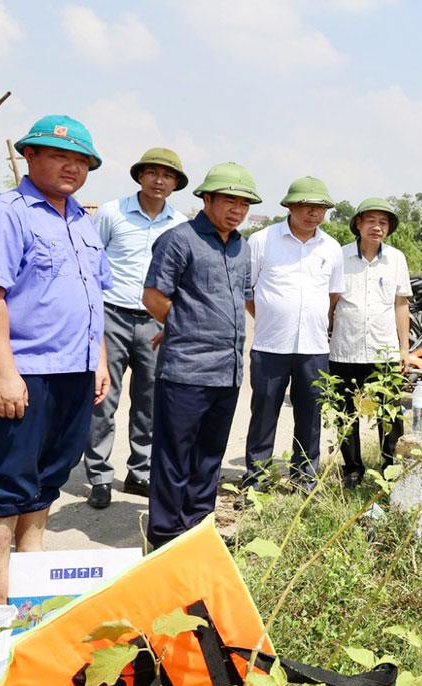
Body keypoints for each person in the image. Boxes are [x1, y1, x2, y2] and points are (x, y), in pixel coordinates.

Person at [0, 115, 111, 604]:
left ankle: (31, 565)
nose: (72, 167)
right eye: (59, 156)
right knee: (6, 476)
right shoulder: (4, 215)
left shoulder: (82, 221)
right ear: (30, 156)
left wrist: (100, 360)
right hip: (24, 371)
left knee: (51, 470)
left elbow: (95, 299)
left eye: (80, 161)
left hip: (75, 370)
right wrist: (4, 372)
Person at [142, 162, 261, 548]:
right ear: (206, 199)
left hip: (227, 373)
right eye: (229, 200)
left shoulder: (241, 247)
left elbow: (240, 299)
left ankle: (196, 534)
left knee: (208, 460)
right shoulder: (179, 239)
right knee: (174, 459)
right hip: (186, 370)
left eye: (244, 203)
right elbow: (154, 297)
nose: (237, 210)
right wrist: (182, 327)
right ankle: (164, 538)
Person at [83, 148, 189, 508]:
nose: (159, 180)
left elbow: (179, 278)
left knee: (150, 400)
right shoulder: (112, 212)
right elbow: (92, 264)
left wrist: (171, 321)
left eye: (168, 175)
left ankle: (139, 472)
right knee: (103, 398)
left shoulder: (178, 224)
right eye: (153, 172)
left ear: (176, 184)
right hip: (112, 315)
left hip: (154, 323)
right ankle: (99, 475)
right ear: (140, 176)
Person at [242, 177, 344, 494]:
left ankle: (304, 480)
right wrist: (271, 316)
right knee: (263, 415)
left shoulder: (331, 247)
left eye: (321, 208)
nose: (314, 213)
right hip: (270, 346)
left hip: (314, 348)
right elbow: (248, 290)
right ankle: (256, 480)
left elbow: (332, 297)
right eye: (307, 206)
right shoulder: (262, 240)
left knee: (310, 417)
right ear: (290, 206)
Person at [329, 197, 411, 487]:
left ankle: (391, 466)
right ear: (359, 224)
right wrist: (326, 335)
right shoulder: (339, 256)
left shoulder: (396, 259)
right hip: (345, 349)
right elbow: (331, 301)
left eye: (383, 222)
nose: (377, 227)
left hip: (383, 350)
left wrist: (404, 349)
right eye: (371, 221)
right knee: (344, 412)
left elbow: (401, 304)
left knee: (389, 413)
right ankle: (352, 469)